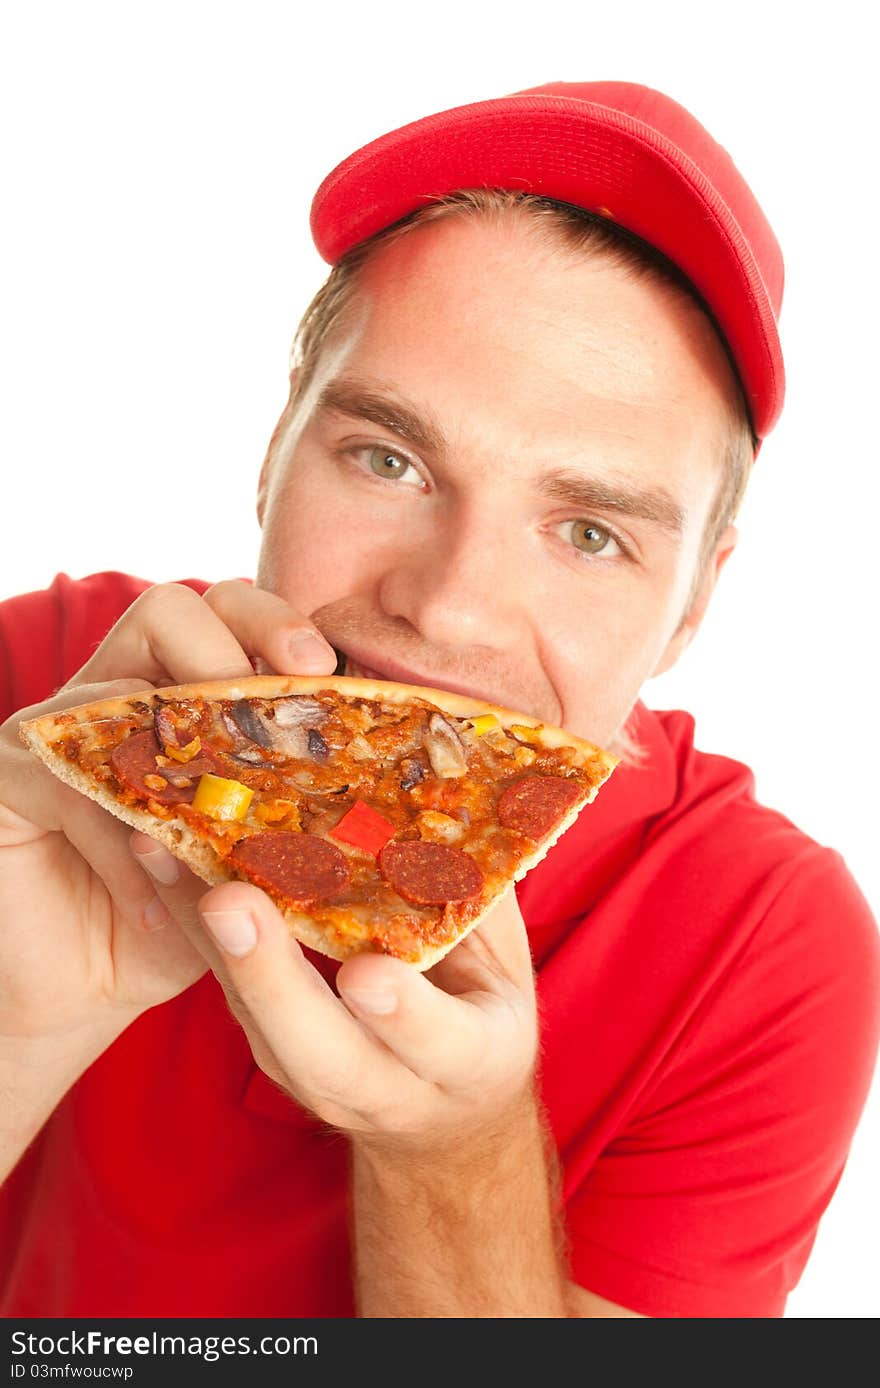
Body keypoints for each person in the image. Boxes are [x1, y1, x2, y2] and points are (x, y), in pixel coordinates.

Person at [0, 80, 877, 1320]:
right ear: (273, 454)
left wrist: (447, 1158)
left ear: (692, 607)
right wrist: (18, 1016)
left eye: (586, 530)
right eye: (387, 458)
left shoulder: (761, 940)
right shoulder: (44, 695)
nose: (449, 609)